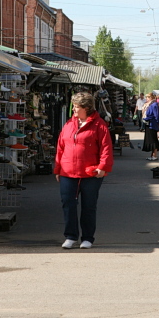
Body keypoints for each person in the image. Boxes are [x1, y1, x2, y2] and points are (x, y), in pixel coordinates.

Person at [55, 92, 114, 249]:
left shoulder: (100, 125)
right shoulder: (69, 124)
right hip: (67, 171)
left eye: (76, 107)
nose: (73, 110)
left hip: (91, 173)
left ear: (87, 108)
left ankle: (87, 237)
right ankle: (71, 236)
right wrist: (57, 168)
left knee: (89, 206)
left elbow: (106, 148)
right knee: (68, 203)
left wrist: (103, 167)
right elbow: (61, 146)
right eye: (73, 106)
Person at [141, 93, 159, 160]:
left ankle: (154, 155)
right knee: (151, 140)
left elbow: (156, 115)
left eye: (148, 97)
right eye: (146, 97)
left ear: (151, 98)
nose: (146, 98)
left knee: (153, 140)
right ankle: (152, 155)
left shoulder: (154, 104)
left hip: (152, 124)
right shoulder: (150, 104)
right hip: (149, 124)